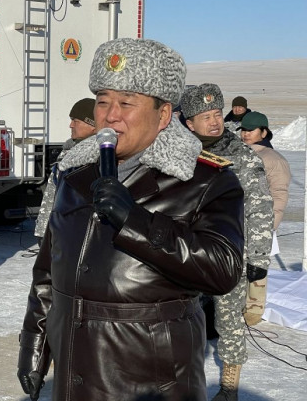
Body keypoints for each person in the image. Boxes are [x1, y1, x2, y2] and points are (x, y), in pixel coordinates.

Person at [18, 38, 245, 401]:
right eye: (103, 101)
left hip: (150, 380)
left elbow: (223, 269)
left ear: (163, 114)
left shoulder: (205, 180)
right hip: (73, 371)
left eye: (126, 103)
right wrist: (34, 341)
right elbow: (48, 268)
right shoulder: (75, 175)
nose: (110, 115)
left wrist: (134, 220)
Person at [180, 84, 273, 401]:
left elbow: (259, 206)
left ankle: (229, 388)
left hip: (229, 253)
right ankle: (180, 383)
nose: (214, 121)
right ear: (189, 123)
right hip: (185, 252)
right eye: (205, 116)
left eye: (217, 113)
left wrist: (259, 259)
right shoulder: (177, 156)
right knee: (181, 319)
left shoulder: (242, 158)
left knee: (229, 320)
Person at [238, 111, 291, 326]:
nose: (245, 134)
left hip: (260, 225)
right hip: (236, 220)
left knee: (256, 268)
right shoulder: (238, 154)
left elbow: (279, 194)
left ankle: (253, 311)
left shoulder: (273, 159)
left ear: (264, 131)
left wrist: (269, 226)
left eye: (250, 130)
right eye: (243, 129)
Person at [34, 97, 96, 238]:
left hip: (74, 234)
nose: (70, 125)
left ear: (93, 125)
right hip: (54, 231)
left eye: (76, 121)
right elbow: (53, 192)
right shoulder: (69, 150)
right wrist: (43, 231)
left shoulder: (95, 155)